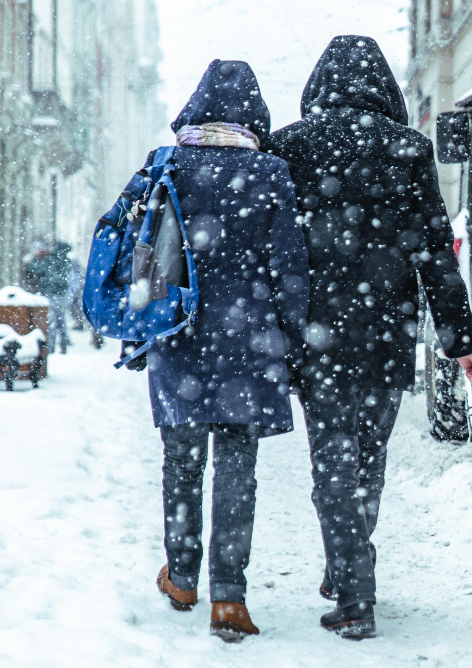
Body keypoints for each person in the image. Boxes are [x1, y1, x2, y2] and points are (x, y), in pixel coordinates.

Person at [267, 35, 472, 639]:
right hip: (387, 334)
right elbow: (436, 252)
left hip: (316, 336)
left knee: (331, 458)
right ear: (384, 87)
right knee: (369, 455)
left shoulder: (287, 147)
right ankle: (352, 565)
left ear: (319, 86)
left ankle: (351, 582)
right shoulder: (408, 149)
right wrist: (459, 338)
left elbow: (271, 250)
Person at [122, 60, 309, 642]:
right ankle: (228, 597)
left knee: (180, 461)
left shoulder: (168, 166)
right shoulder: (270, 172)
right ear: (253, 113)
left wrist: (140, 324)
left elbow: (141, 253)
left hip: (177, 337)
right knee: (237, 470)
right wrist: (293, 336)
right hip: (249, 347)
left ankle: (181, 576)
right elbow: (290, 270)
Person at [32, 241, 73, 354]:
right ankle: (63, 346)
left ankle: (51, 348)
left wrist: (35, 259)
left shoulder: (51, 259)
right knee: (61, 321)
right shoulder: (67, 261)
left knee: (52, 322)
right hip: (62, 294)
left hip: (50, 294)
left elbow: (37, 269)